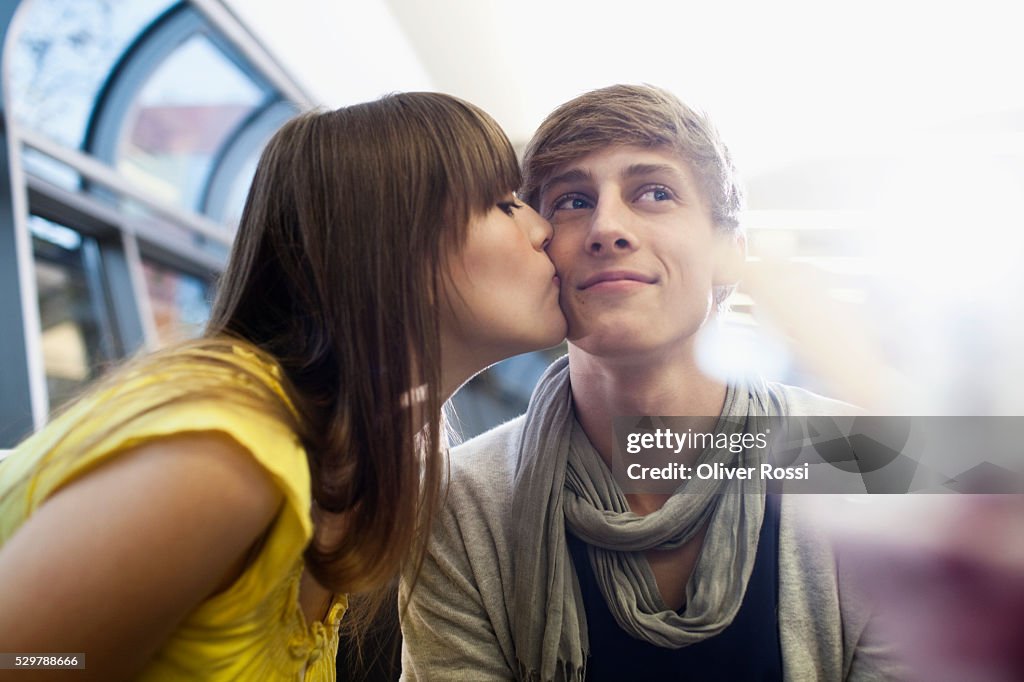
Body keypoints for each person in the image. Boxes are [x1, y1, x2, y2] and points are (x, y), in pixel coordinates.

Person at [0, 92, 565, 680]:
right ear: (397, 242)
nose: (542, 227)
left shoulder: (361, 468)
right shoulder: (226, 456)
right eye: (504, 205)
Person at [399, 84, 904, 680]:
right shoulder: (459, 505)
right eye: (571, 201)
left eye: (656, 193)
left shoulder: (868, 460)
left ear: (727, 254)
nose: (607, 228)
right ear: (541, 248)